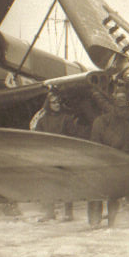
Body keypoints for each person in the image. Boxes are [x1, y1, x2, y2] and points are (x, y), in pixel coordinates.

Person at [87, 83, 129, 227]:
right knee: (104, 191)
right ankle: (98, 221)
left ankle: (115, 220)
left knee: (118, 192)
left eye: (123, 98)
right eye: (118, 99)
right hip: (107, 160)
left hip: (124, 159)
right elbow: (96, 144)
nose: (120, 101)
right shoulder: (100, 122)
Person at [30, 90, 85, 221]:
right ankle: (49, 212)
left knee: (66, 183)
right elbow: (37, 138)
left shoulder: (67, 118)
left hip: (64, 155)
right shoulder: (42, 121)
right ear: (48, 104)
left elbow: (73, 136)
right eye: (53, 102)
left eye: (58, 102)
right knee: (47, 183)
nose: (57, 105)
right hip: (48, 155)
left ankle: (68, 213)